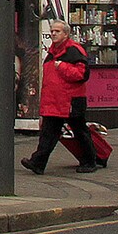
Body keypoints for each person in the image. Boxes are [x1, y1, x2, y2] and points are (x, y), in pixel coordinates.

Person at [22, 22, 100, 175]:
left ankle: (90, 161)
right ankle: (38, 163)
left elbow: (82, 74)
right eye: (52, 31)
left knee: (79, 131)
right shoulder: (52, 52)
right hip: (55, 101)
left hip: (71, 101)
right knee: (48, 134)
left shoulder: (74, 50)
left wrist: (62, 67)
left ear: (66, 34)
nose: (53, 34)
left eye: (57, 31)